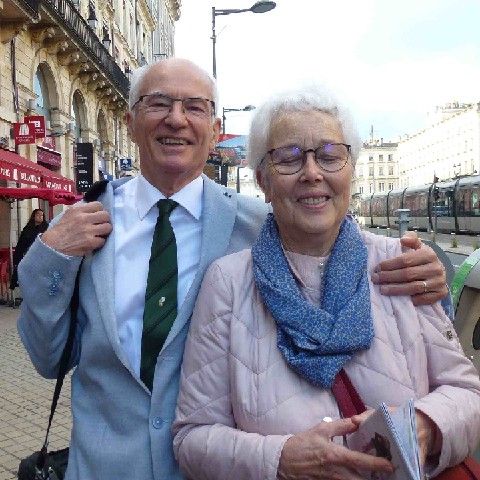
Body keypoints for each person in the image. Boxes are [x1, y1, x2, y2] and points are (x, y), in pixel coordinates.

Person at [18, 58, 447, 480]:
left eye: (195, 107)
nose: (176, 119)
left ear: (216, 131)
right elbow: (49, 360)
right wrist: (47, 258)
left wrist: (427, 272)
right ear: (130, 122)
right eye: (158, 103)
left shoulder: (262, 222)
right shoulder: (80, 226)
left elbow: (342, 248)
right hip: (104, 469)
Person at [172, 83, 480, 479]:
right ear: (263, 182)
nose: (312, 173)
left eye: (331, 156)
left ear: (350, 170)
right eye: (288, 158)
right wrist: (279, 459)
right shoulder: (228, 282)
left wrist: (427, 426)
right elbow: (192, 439)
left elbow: (468, 394)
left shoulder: (402, 265)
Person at [9, 208, 48, 291]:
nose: (40, 217)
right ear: (34, 216)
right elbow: (21, 243)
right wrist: (17, 257)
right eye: (38, 214)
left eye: (42, 215)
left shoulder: (46, 228)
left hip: (41, 255)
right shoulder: (28, 228)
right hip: (27, 255)